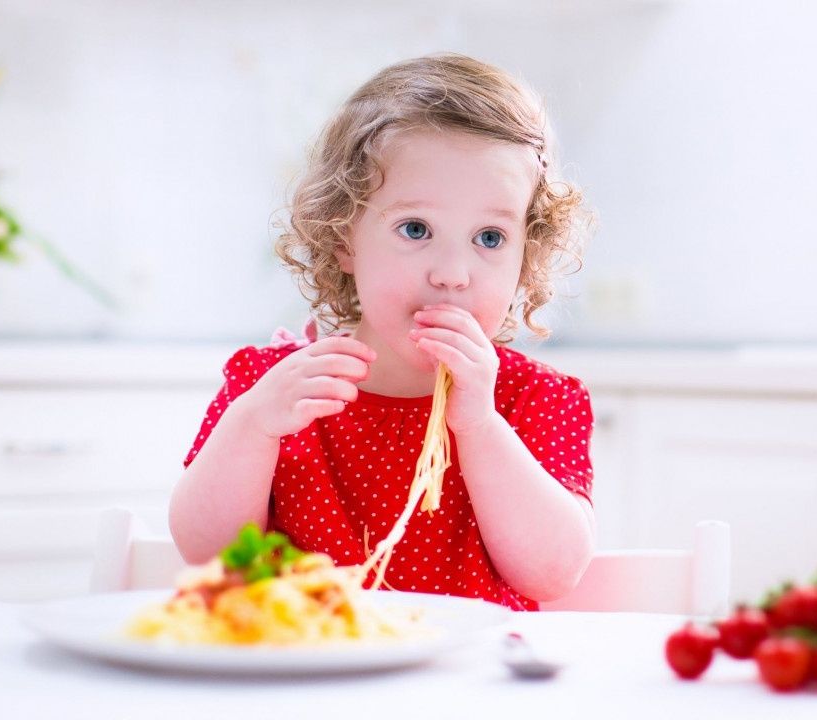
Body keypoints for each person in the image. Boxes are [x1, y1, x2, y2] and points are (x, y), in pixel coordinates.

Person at [169, 53, 595, 610]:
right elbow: (209, 556)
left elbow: (553, 575)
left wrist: (480, 425)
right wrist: (253, 426)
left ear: (526, 253)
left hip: (470, 667)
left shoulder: (535, 399)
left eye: (490, 238)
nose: (452, 273)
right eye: (416, 229)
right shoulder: (272, 387)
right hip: (307, 659)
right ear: (343, 239)